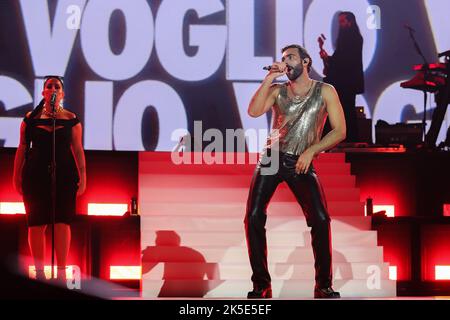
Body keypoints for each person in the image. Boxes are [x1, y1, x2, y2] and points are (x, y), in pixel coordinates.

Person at [245, 44, 346, 299]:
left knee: (321, 220)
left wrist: (312, 151)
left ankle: (323, 285)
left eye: (290, 57)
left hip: (300, 159)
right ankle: (261, 285)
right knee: (254, 216)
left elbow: (339, 131)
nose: (286, 62)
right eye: (282, 59)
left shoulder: (325, 91)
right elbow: (254, 111)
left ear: (306, 61)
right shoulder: (278, 90)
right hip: (272, 158)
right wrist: (270, 78)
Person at [12, 76, 86, 282]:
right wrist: (16, 175)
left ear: (62, 94)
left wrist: (84, 175)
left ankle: (61, 272)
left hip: (64, 174)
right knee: (36, 222)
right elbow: (22, 147)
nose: (53, 89)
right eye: (49, 86)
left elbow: (78, 150)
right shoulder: (31, 118)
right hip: (35, 174)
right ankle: (40, 273)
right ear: (43, 92)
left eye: (57, 86)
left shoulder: (72, 119)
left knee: (62, 221)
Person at [320, 11, 364, 142]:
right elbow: (341, 58)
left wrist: (329, 59)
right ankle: (348, 139)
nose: (340, 24)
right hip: (345, 81)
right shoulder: (350, 38)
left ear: (350, 22)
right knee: (345, 110)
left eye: (342, 21)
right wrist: (329, 59)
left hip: (346, 81)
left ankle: (348, 139)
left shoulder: (352, 38)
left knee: (346, 110)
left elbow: (345, 59)